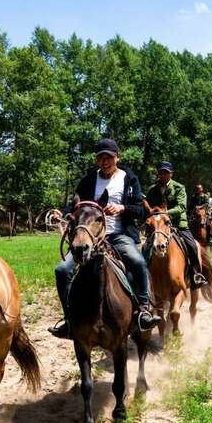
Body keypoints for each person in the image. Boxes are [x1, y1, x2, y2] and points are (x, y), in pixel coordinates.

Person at [49, 138, 159, 339]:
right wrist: (61, 212)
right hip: (89, 238)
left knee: (138, 262)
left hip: (119, 235)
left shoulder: (129, 179)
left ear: (117, 157)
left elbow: (140, 210)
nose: (104, 161)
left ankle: (143, 310)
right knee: (62, 269)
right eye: (100, 158)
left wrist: (122, 208)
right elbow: (75, 205)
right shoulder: (89, 180)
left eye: (108, 157)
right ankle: (69, 319)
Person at [144, 162, 208, 288]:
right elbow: (148, 204)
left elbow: (181, 207)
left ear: (171, 174)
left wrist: (165, 213)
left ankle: (196, 274)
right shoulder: (152, 190)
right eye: (161, 172)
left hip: (178, 224)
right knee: (145, 247)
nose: (163, 175)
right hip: (159, 226)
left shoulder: (179, 188)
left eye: (166, 172)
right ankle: (146, 278)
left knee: (192, 246)